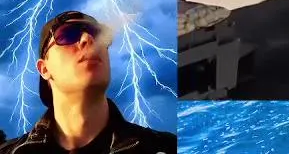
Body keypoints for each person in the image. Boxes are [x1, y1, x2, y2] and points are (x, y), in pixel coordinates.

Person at [0, 11, 176, 153]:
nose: (88, 39)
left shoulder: (167, 147)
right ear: (44, 69)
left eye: (98, 34)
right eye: (68, 34)